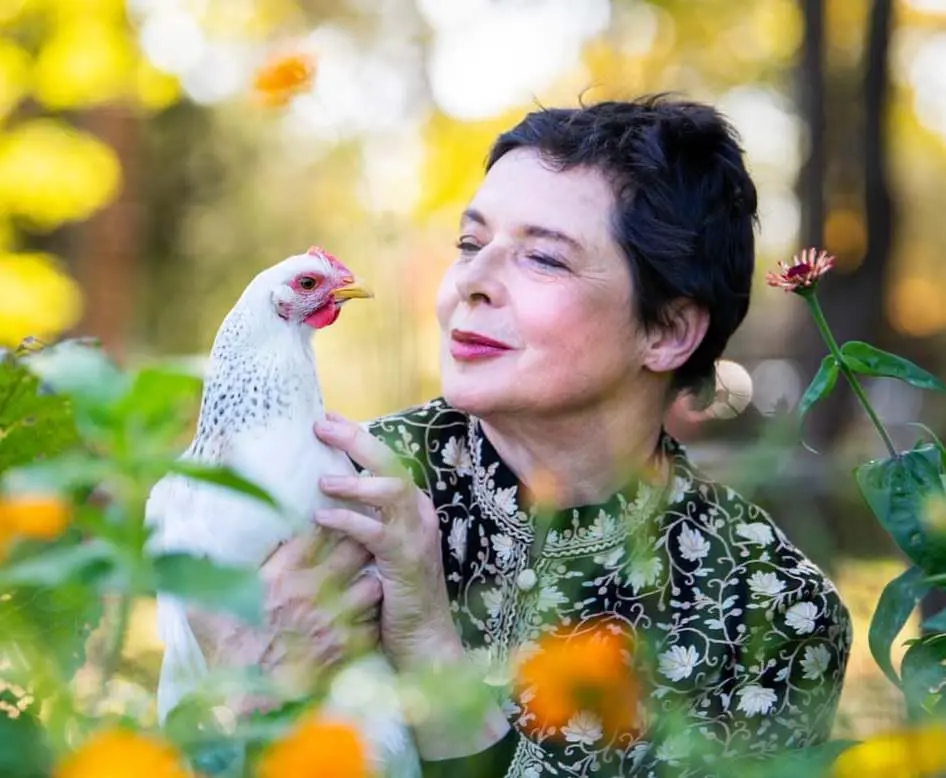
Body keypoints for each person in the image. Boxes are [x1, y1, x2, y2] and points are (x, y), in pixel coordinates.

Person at [199, 95, 852, 777]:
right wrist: (250, 697)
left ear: (666, 331)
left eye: (542, 259)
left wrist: (425, 636)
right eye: (470, 244)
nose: (471, 283)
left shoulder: (771, 610)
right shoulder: (341, 489)